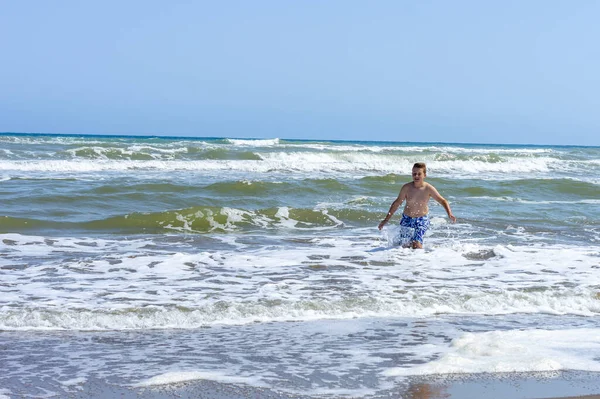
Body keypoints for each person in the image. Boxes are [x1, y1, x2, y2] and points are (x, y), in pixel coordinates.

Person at [378, 162, 456, 249]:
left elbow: (442, 200)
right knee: (404, 246)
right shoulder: (406, 188)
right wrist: (386, 219)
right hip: (407, 219)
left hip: (421, 220)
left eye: (419, 174)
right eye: (414, 174)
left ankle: (420, 260)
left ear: (424, 175)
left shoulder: (428, 188)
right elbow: (397, 203)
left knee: (417, 245)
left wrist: (449, 213)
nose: (416, 176)